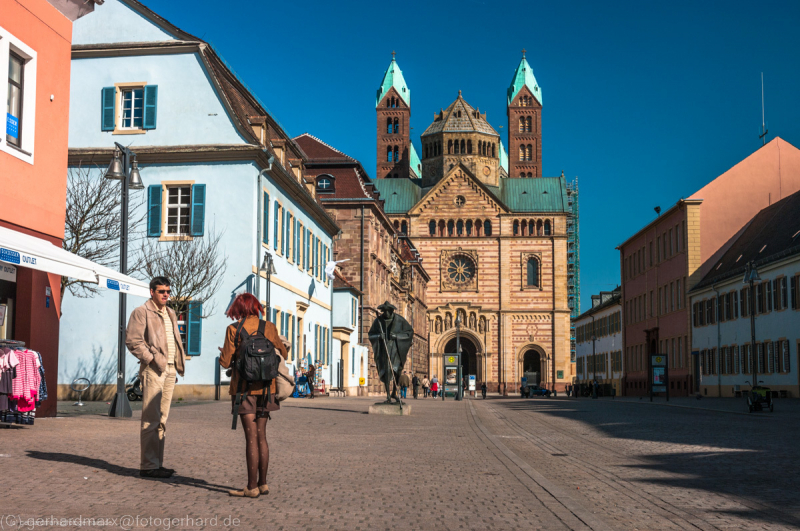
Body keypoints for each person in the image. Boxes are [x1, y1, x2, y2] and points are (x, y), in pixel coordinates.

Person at [219, 293, 288, 498]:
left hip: (244, 389)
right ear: (256, 307)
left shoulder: (234, 329)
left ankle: (251, 487)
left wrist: (225, 353)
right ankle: (263, 483)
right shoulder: (269, 326)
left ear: (238, 309)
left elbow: (225, 362)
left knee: (251, 438)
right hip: (268, 388)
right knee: (262, 436)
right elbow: (283, 353)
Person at [126, 276, 186, 479]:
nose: (166, 295)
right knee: (151, 419)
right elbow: (133, 341)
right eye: (161, 291)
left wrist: (174, 366)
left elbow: (174, 342)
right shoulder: (141, 312)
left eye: (168, 291)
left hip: (169, 370)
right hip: (153, 369)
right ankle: (148, 465)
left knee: (162, 419)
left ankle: (156, 464)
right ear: (151, 292)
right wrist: (152, 360)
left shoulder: (170, 312)